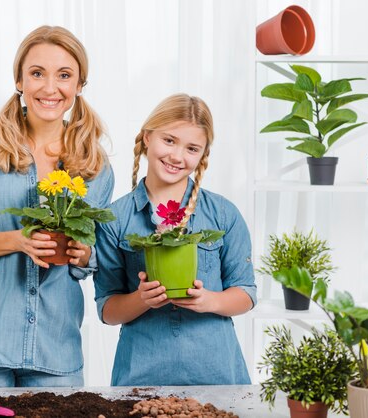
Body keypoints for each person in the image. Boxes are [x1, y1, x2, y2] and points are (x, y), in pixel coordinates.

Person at [0, 25, 114, 387]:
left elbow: (99, 257)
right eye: (37, 73)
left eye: (64, 75)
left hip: (55, 352)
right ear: (19, 81)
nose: (50, 88)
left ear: (79, 85)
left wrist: (82, 254)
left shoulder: (95, 165)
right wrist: (18, 240)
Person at [94, 93, 256, 386]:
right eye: (169, 140)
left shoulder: (223, 214)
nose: (177, 156)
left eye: (192, 148)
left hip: (216, 377)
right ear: (147, 137)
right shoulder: (115, 219)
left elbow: (246, 293)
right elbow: (107, 309)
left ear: (202, 156)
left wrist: (210, 300)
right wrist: (141, 299)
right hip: (140, 378)